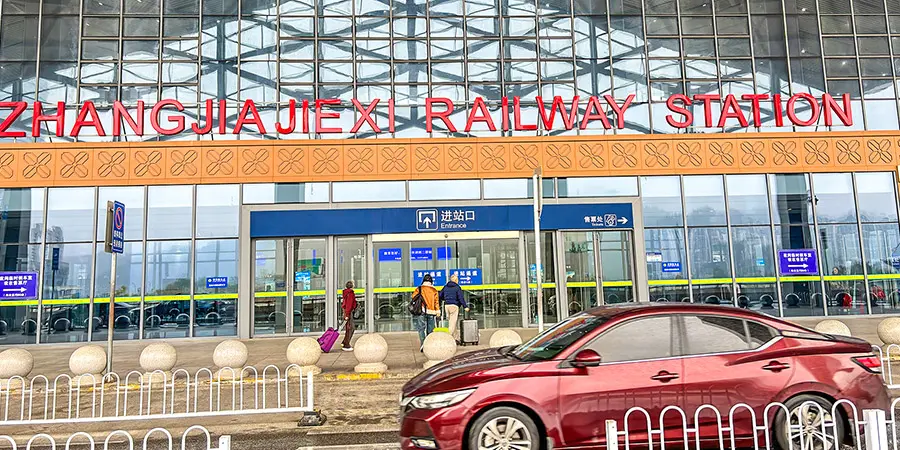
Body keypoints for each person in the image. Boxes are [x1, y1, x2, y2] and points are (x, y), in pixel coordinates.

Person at [412, 274, 441, 351]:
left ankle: (423, 344)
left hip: (421, 311)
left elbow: (413, 297)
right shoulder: (434, 290)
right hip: (431, 311)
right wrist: (438, 311)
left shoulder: (419, 288)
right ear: (431, 281)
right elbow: (436, 302)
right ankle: (429, 345)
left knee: (421, 328)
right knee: (430, 329)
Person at [439, 274, 469, 342]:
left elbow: (440, 295)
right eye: (457, 279)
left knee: (452, 322)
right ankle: (447, 339)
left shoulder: (445, 287)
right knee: (452, 324)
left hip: (447, 306)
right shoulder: (457, 287)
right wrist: (465, 306)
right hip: (454, 306)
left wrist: (445, 299)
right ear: (455, 280)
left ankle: (456, 338)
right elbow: (460, 298)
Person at [341, 281, 357, 351]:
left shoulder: (346, 292)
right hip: (348, 312)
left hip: (346, 312)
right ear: (352, 286)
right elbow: (349, 305)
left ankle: (344, 341)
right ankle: (346, 344)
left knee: (348, 328)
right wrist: (347, 315)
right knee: (351, 328)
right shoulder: (350, 293)